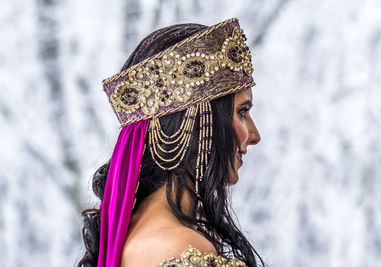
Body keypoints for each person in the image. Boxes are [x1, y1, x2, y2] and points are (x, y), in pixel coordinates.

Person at [78, 18, 265, 267]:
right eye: (242, 111)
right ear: (199, 121)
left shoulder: (135, 232)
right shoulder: (180, 247)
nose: (254, 135)